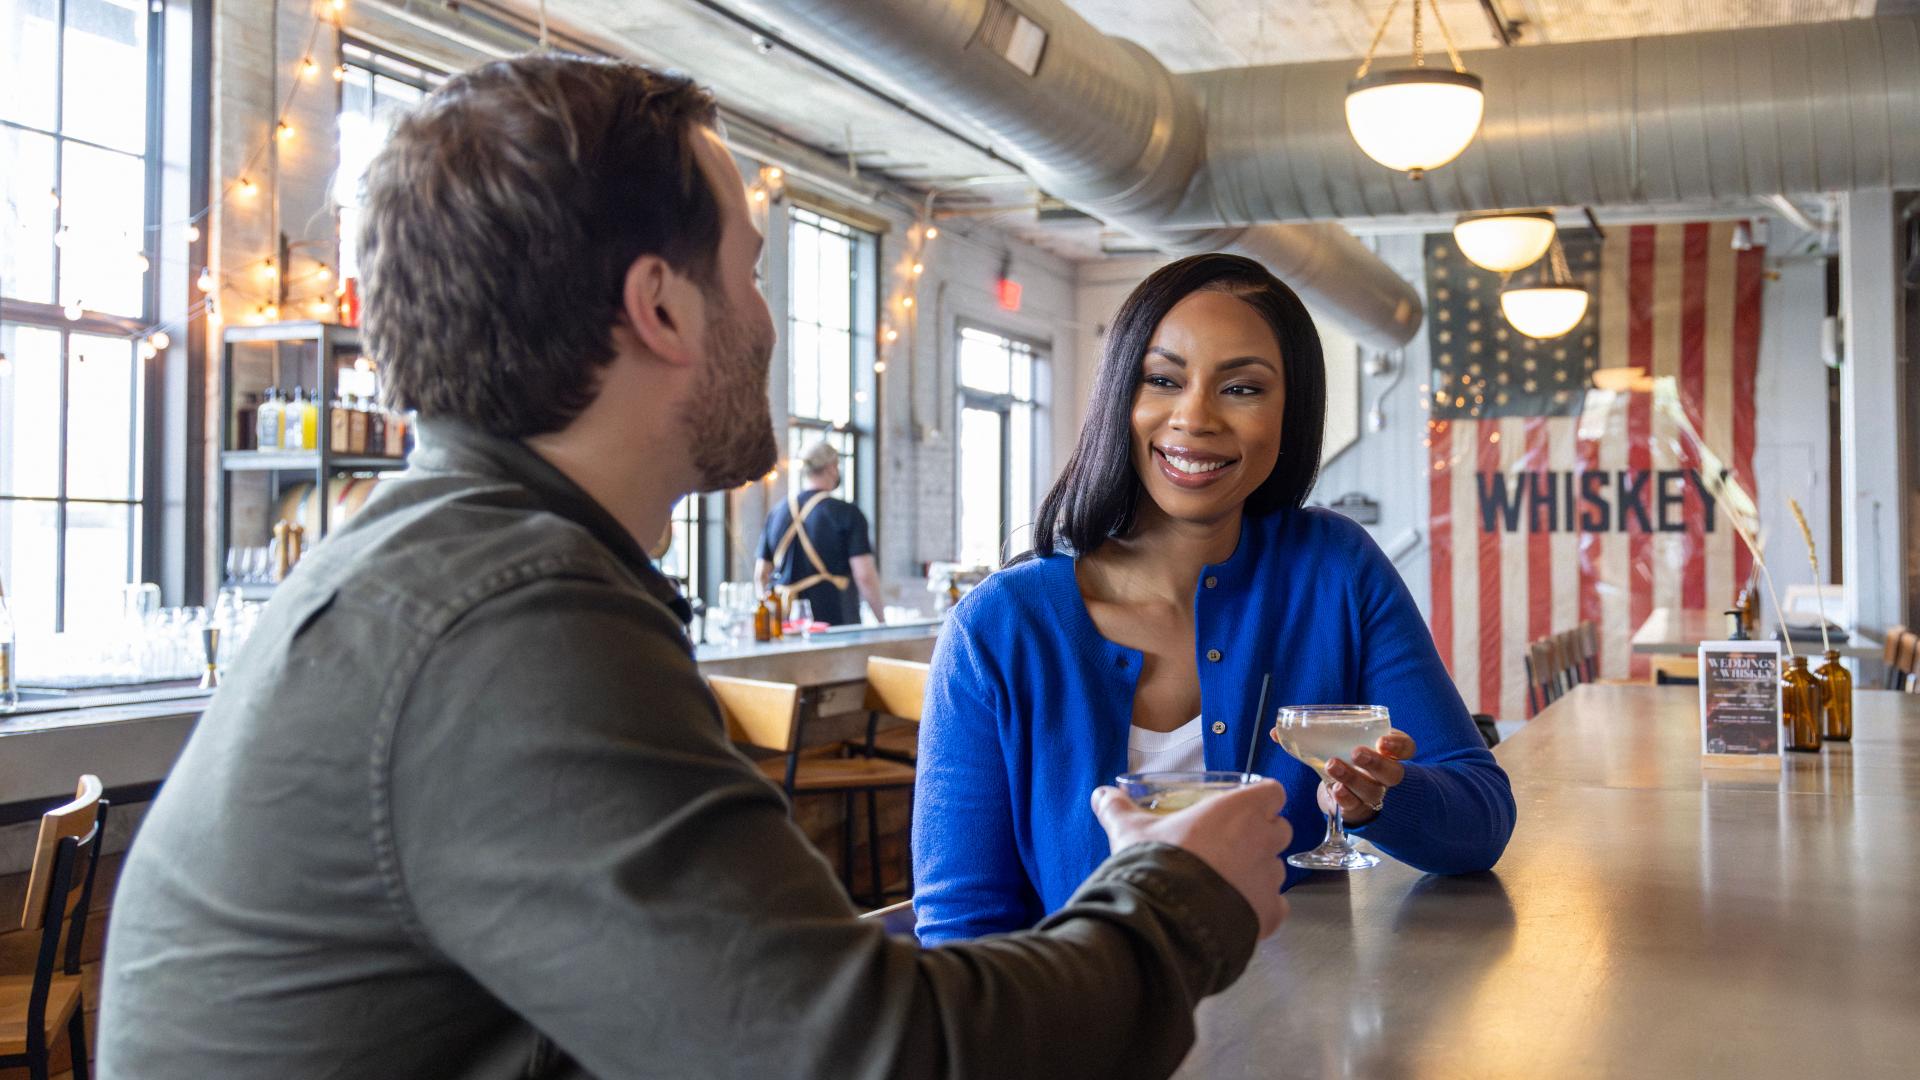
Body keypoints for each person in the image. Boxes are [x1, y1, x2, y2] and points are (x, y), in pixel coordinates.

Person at [96, 55, 1295, 1080]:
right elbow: (865, 1058)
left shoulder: (454, 559)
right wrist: (1175, 899)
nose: (768, 324)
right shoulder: (507, 625)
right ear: (663, 309)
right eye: (754, 269)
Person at [912, 253, 1517, 945]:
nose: (1194, 418)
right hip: (1083, 1038)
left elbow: (1481, 822)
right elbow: (963, 932)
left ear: (1291, 412)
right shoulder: (997, 629)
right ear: (1119, 397)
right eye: (1163, 380)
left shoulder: (1337, 572)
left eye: (1243, 388)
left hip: (1299, 1035)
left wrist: (1383, 796)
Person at [754, 441, 884, 625]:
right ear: (832, 467)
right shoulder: (847, 513)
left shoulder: (777, 512)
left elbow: (761, 574)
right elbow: (864, 575)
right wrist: (882, 620)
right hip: (834, 621)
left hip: (786, 623)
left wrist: (768, 616)